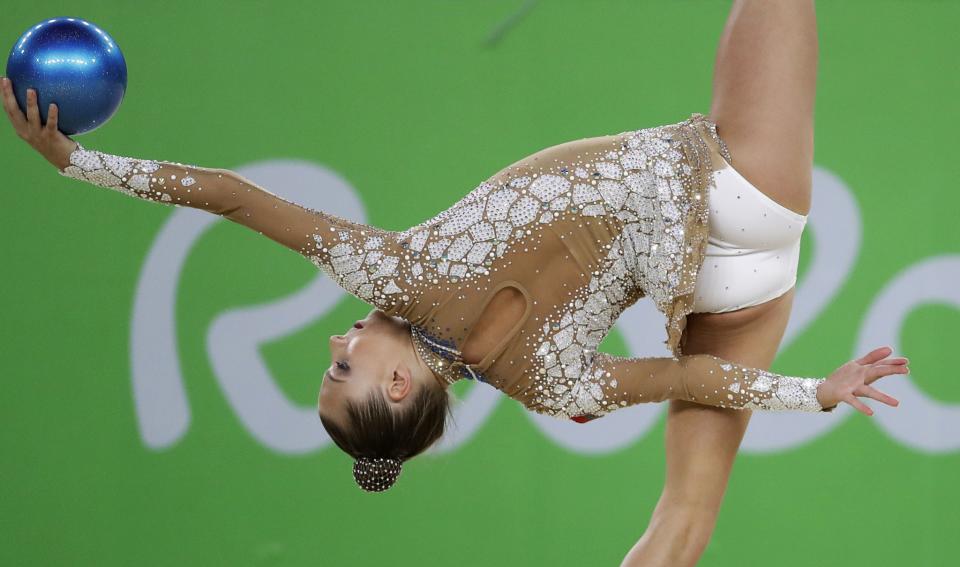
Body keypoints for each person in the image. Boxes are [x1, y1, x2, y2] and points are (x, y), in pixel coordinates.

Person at [1, 1, 910, 563]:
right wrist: (80, 165)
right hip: (723, 182)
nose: (335, 340)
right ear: (398, 382)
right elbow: (234, 198)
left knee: (683, 517)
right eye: (342, 368)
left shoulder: (540, 385)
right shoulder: (399, 273)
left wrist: (817, 393)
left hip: (750, 274)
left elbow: (689, 378)